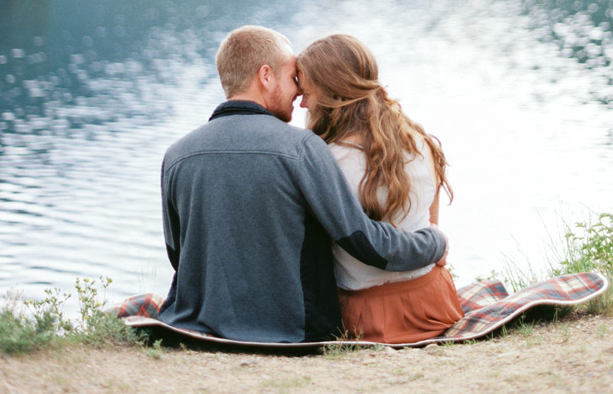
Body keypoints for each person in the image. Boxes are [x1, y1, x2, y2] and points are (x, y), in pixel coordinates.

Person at [157, 25, 448, 343]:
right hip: (294, 327)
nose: (299, 93)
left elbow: (178, 255)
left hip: (198, 321)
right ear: (266, 76)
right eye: (292, 78)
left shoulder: (175, 156)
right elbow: (363, 241)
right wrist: (436, 242)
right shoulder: (303, 148)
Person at [296, 33, 463, 343]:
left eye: (306, 92)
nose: (302, 103)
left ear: (334, 93)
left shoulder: (329, 159)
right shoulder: (419, 140)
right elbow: (432, 208)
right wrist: (436, 239)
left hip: (367, 316)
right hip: (436, 302)